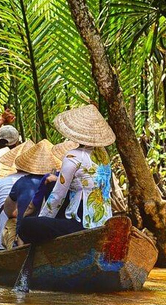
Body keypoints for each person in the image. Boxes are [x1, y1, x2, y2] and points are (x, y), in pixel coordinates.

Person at [19, 105, 115, 245]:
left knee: (26, 225)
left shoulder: (73, 155)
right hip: (104, 221)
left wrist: (43, 220)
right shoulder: (104, 156)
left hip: (81, 224)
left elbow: (58, 195)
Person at [0, 139, 60, 249]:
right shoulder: (61, 181)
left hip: (27, 237)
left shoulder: (22, 182)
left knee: (10, 223)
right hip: (53, 234)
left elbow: (8, 211)